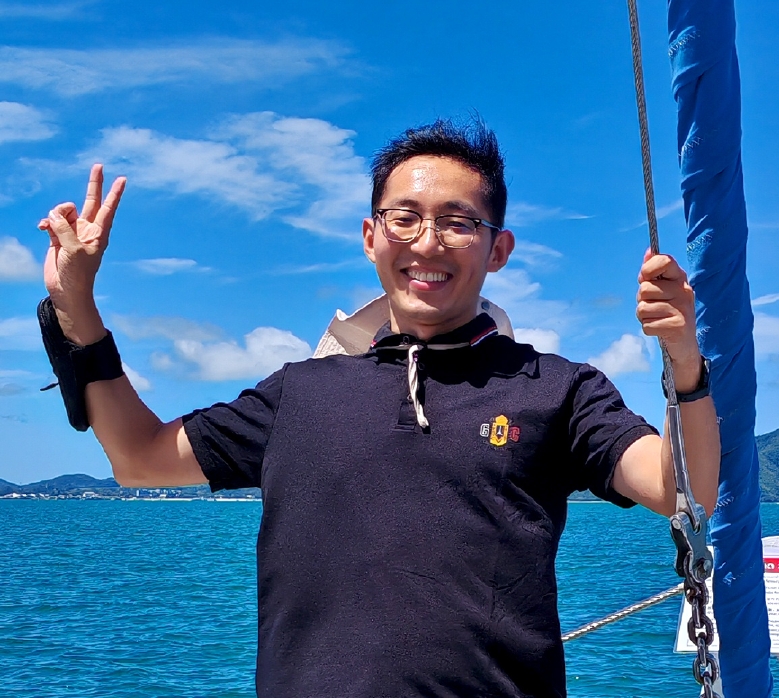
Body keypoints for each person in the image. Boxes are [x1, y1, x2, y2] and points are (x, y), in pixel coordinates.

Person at [38, 119, 719, 698]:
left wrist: (683, 360)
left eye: (458, 222)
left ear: (499, 249)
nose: (426, 242)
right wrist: (76, 306)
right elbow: (139, 457)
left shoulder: (555, 389)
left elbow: (680, 488)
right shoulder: (297, 393)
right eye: (405, 217)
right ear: (371, 236)